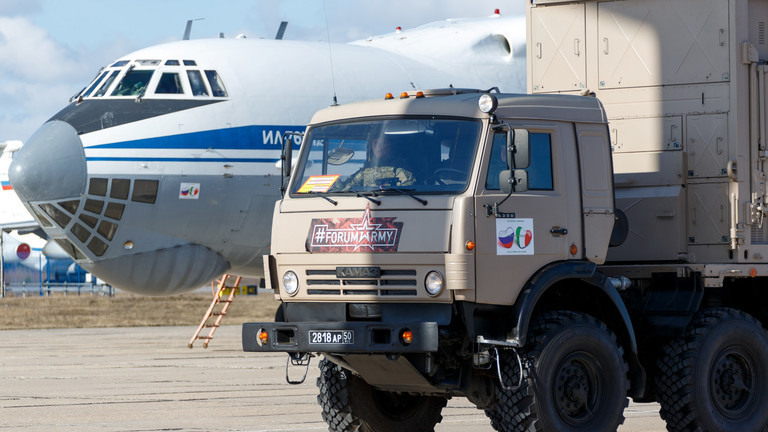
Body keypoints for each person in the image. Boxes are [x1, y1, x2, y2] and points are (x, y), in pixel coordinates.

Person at [342, 136, 415, 189]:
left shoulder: (399, 167)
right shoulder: (367, 169)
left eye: (382, 143)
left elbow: (408, 187)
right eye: (375, 143)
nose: (378, 146)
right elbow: (349, 186)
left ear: (391, 145)